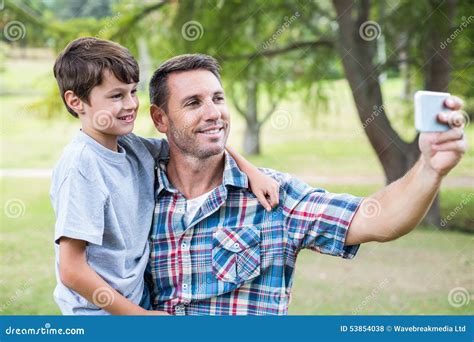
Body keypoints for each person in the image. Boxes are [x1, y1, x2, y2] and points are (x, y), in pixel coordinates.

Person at [145, 54, 467, 315]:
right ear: (160, 119)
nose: (214, 113)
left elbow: (380, 219)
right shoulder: (139, 190)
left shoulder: (273, 197)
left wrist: (429, 168)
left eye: (218, 98)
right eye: (193, 103)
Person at [50, 38, 279, 315]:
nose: (131, 104)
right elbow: (71, 271)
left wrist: (249, 170)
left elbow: (195, 141)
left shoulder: (132, 146)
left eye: (133, 92)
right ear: (76, 101)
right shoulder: (82, 166)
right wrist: (141, 318)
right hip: (98, 316)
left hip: (136, 305)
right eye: (116, 96)